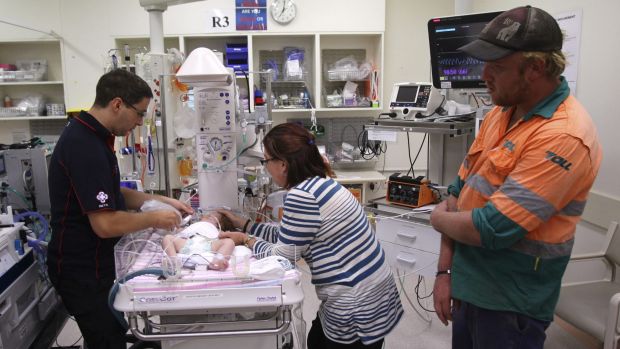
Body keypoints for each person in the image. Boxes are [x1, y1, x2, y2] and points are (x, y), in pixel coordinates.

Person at [429, 6, 602, 349]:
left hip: (511, 302)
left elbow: (492, 228)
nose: (485, 75)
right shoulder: (500, 113)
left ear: (536, 67)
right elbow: (457, 194)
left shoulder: (564, 137)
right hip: (468, 284)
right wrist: (445, 272)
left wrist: (436, 220)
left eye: (497, 66)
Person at [218, 122, 403, 349]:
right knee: (316, 339)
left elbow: (284, 257)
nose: (266, 167)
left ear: (283, 164)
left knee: (318, 342)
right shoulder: (320, 184)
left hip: (355, 303)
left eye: (266, 161)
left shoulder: (302, 196)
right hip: (375, 292)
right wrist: (244, 225)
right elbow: (289, 235)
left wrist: (244, 240)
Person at [47, 69, 193, 349]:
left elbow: (114, 192)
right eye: (139, 114)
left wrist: (164, 201)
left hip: (95, 263)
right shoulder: (84, 145)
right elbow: (104, 225)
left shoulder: (95, 136)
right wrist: (154, 219)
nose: (139, 123)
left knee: (112, 330)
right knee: (106, 339)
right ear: (117, 104)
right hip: (81, 269)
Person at [162, 213, 235, 270]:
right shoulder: (194, 225)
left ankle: (217, 260)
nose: (208, 216)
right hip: (189, 242)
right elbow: (180, 233)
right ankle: (174, 260)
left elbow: (223, 236)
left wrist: (224, 233)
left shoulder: (218, 230)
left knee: (229, 242)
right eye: (208, 215)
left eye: (212, 216)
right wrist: (179, 229)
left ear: (218, 224)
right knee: (167, 238)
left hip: (208, 243)